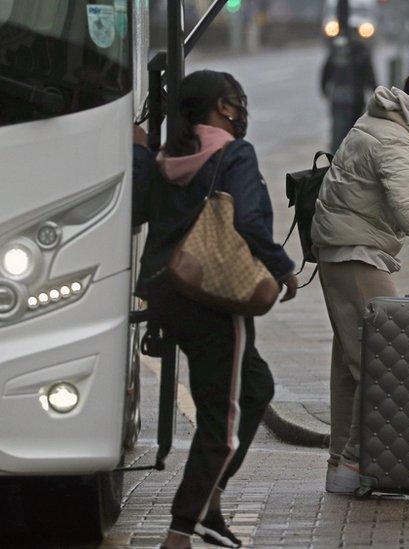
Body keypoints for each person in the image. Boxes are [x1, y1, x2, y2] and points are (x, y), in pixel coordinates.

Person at [132, 70, 298, 549]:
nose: (240, 110)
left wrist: (140, 152)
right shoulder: (234, 153)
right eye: (236, 102)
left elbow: (141, 209)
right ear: (224, 107)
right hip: (210, 297)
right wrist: (282, 267)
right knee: (220, 421)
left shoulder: (167, 155)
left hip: (165, 290)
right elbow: (248, 218)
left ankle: (212, 503)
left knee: (256, 386)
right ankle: (182, 530)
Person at [311, 42, 409, 495]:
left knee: (351, 365)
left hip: (345, 249)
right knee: (386, 361)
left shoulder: (380, 123)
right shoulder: (393, 137)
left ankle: (342, 465)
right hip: (353, 252)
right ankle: (358, 463)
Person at [321, 32, 377, 151]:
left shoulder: (338, 51)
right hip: (355, 99)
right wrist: (376, 93)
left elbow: (326, 72)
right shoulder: (362, 51)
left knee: (338, 132)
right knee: (353, 131)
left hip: (339, 99)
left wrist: (324, 89)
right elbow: (370, 76)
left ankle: (336, 159)